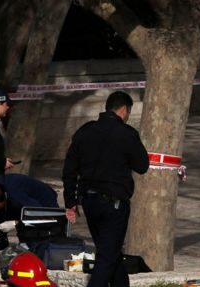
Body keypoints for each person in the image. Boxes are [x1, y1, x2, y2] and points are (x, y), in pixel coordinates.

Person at [62, 91, 149, 287]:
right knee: (106, 257)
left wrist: (71, 202)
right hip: (114, 204)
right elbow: (142, 166)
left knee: (111, 251)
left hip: (89, 202)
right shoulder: (126, 134)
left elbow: (69, 170)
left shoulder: (84, 132)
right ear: (124, 110)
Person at [0, 173, 59, 250]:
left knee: (42, 233)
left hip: (44, 201)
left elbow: (38, 214)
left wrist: (16, 223)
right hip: (21, 198)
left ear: (4, 198)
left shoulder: (16, 196)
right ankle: (15, 245)